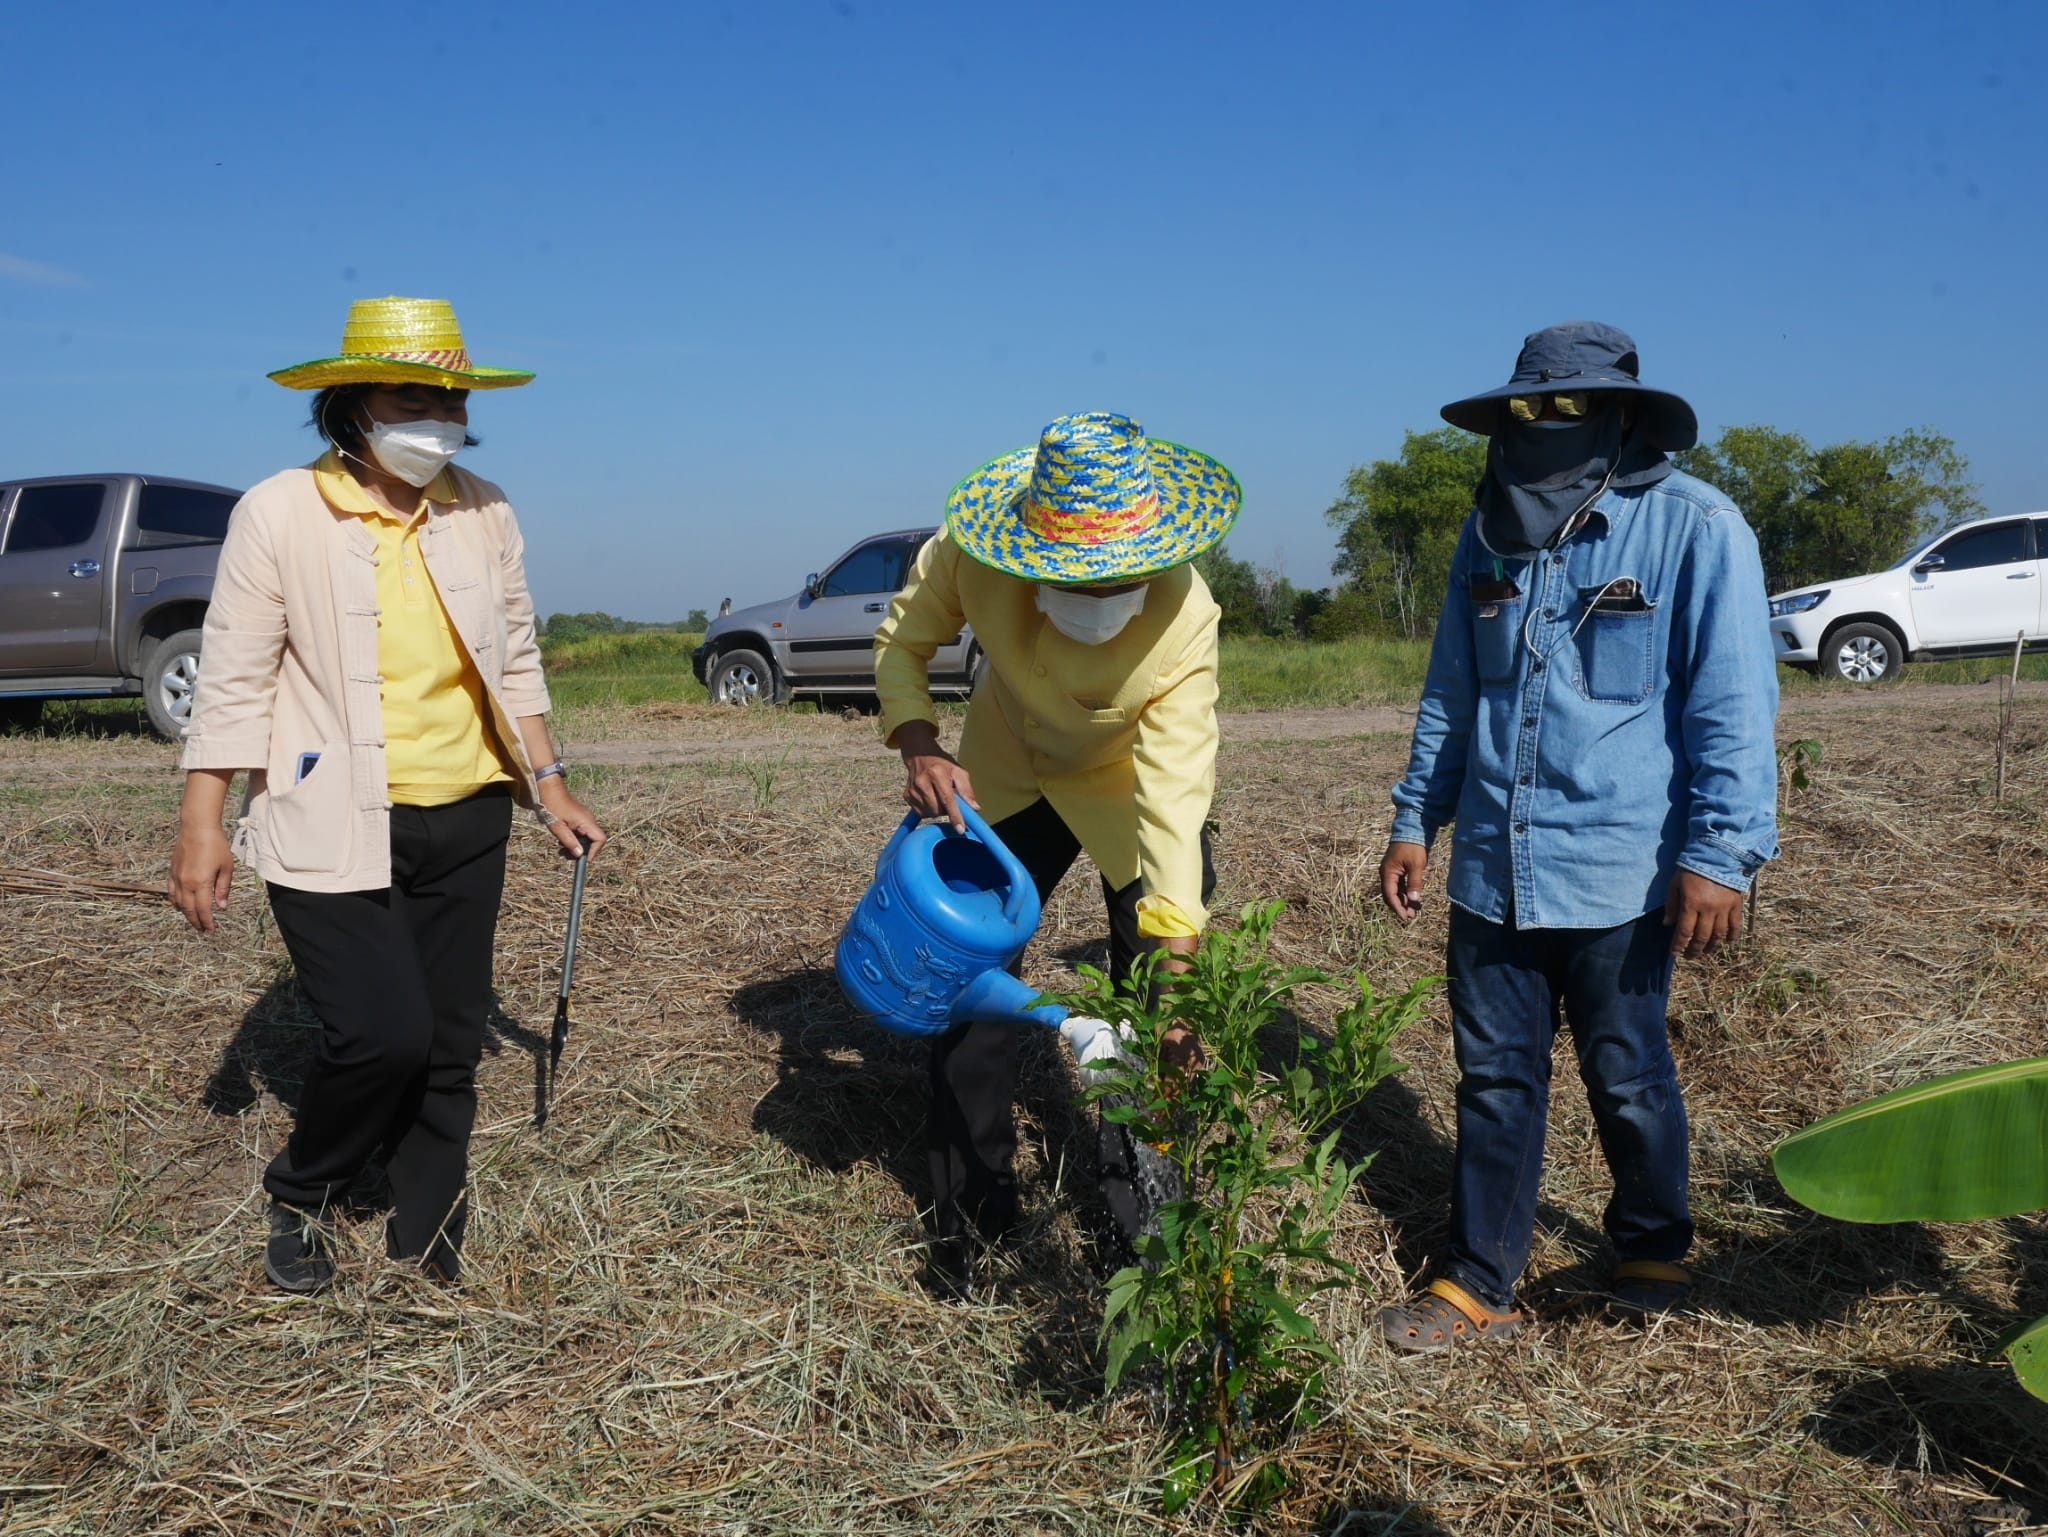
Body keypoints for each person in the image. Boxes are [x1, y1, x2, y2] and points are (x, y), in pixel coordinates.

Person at [167, 297, 606, 1293]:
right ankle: (306, 1189)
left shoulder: (483, 508)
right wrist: (202, 823)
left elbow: (517, 661)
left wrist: (550, 784)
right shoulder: (279, 512)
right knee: (379, 1033)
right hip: (329, 813)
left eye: (449, 398)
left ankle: (425, 1231)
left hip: (471, 811)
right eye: (414, 396)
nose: (436, 418)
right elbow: (233, 680)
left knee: (449, 1040)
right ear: (352, 403)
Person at [1375, 322, 1778, 1351]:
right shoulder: (1489, 528)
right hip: (1491, 870)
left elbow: (1729, 703)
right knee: (1494, 1075)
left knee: (1626, 1069)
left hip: (1620, 868)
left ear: (1617, 413)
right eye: (1527, 407)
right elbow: (1451, 690)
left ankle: (1649, 1245)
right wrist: (1415, 817)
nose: (1541, 426)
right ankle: (1478, 1279)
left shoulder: (1695, 527)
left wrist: (1717, 855)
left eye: (1566, 407)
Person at [873, 410, 1238, 1293]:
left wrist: (1177, 974)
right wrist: (921, 745)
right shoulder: (970, 550)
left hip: (1124, 791)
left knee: (1154, 1015)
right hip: (1004, 774)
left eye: (1115, 581)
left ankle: (1140, 1241)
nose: (1093, 596)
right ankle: (973, 1226)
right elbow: (902, 644)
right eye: (1068, 579)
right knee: (967, 990)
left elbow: (1175, 804)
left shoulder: (1187, 617)